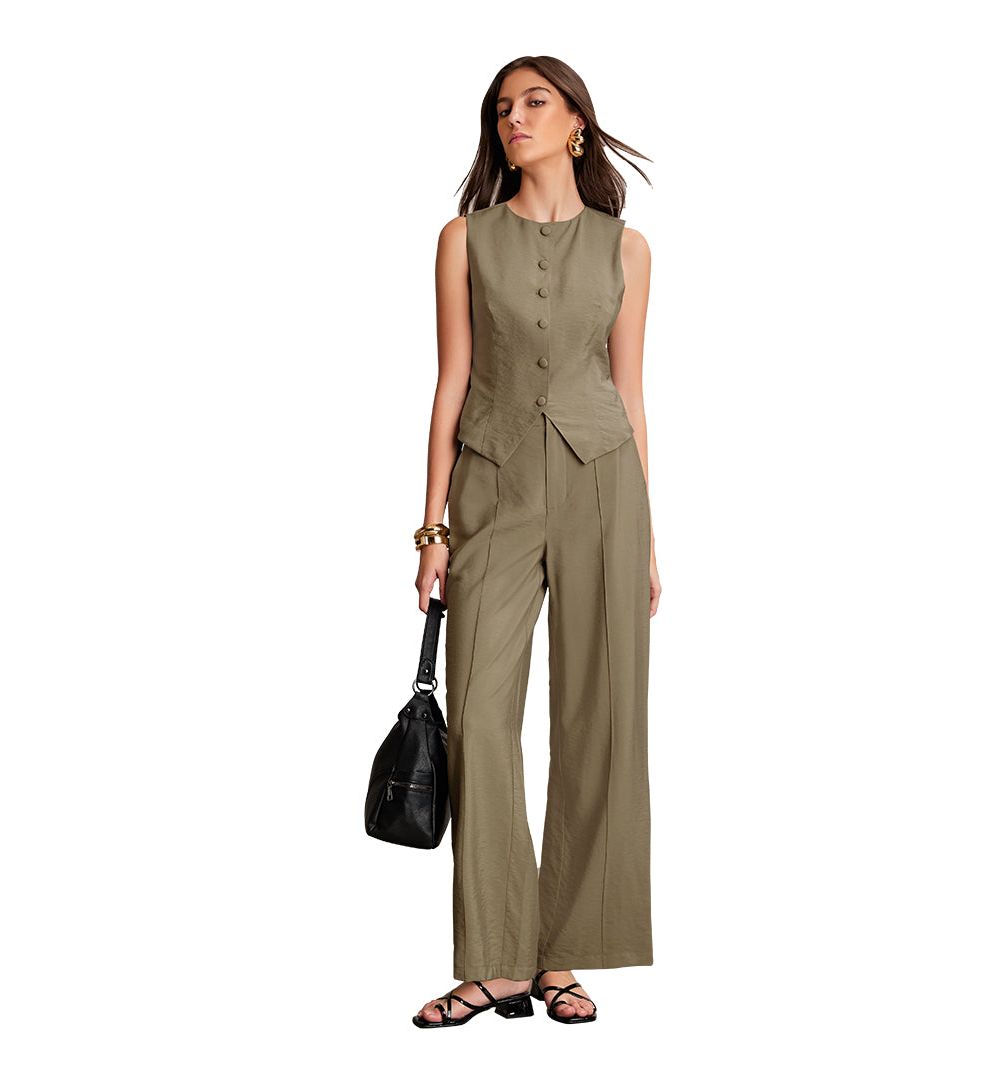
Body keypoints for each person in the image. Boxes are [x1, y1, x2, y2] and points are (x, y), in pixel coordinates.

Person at [411, 55, 660, 1029]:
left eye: (534, 103)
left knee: (600, 718)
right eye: (501, 109)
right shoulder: (464, 239)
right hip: (494, 485)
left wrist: (648, 537)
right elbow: (450, 383)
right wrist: (433, 527)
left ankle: (563, 956)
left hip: (604, 487)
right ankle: (497, 960)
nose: (513, 118)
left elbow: (630, 392)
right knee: (478, 717)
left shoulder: (627, 249)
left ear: (576, 124)